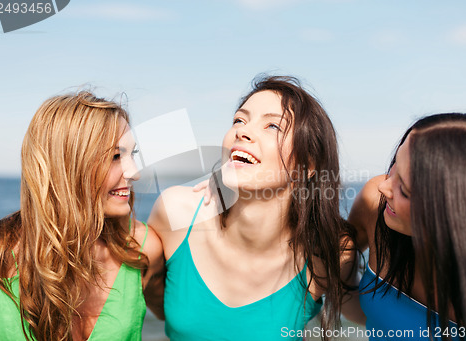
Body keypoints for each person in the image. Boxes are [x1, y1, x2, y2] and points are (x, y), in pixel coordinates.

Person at [148, 75, 354, 340]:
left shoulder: (329, 252)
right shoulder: (176, 211)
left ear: (308, 165)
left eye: (272, 126)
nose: (242, 131)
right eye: (239, 120)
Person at [0, 92, 164, 340]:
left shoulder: (142, 250)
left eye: (131, 154)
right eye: (116, 156)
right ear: (68, 164)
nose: (134, 173)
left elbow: (184, 323)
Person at [345, 113, 466, 340]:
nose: (384, 187)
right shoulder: (375, 205)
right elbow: (364, 313)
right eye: (394, 166)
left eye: (403, 189)